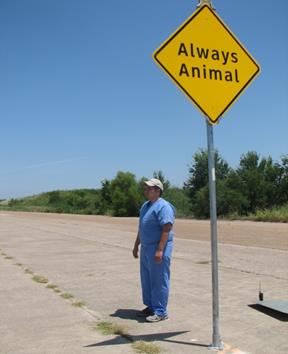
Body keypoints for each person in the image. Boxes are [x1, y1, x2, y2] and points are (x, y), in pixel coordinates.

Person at [133, 178, 176, 322]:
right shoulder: (145, 206)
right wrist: (136, 245)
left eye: (149, 188)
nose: (146, 191)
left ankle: (161, 311)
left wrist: (160, 250)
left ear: (158, 191)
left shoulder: (164, 207)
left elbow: (166, 228)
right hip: (146, 247)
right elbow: (142, 227)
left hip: (158, 247)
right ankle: (151, 306)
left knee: (159, 280)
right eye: (145, 188)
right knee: (147, 279)